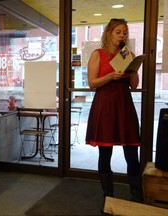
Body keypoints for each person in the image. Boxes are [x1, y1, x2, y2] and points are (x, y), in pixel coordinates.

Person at [85, 18, 143, 209]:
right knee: (105, 152)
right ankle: (108, 197)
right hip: (105, 104)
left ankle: (137, 198)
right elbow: (92, 83)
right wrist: (110, 76)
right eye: (118, 32)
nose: (122, 35)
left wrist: (133, 70)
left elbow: (134, 85)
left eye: (125, 32)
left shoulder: (128, 54)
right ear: (109, 33)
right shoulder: (98, 54)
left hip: (124, 104)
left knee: (132, 152)